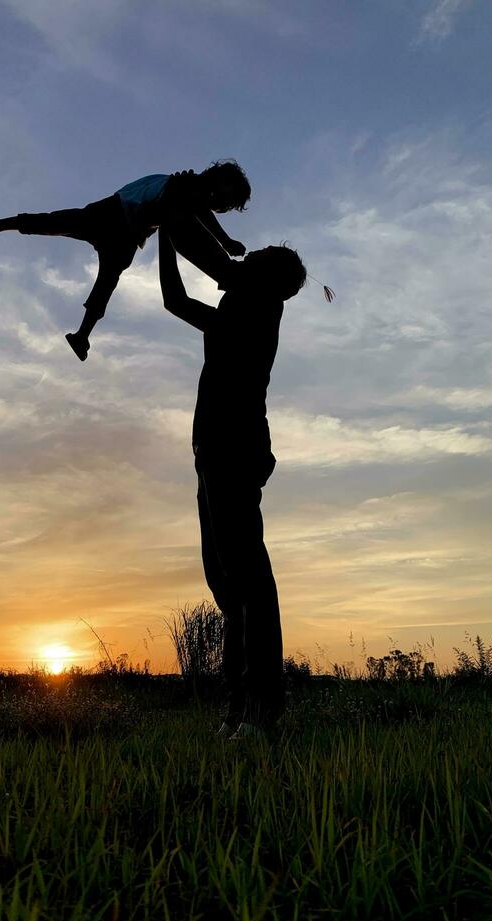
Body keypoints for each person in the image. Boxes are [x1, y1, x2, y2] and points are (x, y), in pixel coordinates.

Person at [158, 224, 308, 742]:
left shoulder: (258, 306)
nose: (246, 257)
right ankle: (239, 708)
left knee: (247, 582)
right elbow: (174, 300)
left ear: (267, 277)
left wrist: (169, 220)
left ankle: (261, 710)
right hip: (214, 455)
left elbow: (214, 268)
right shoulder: (237, 310)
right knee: (227, 586)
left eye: (258, 256)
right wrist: (161, 235)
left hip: (234, 452)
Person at [0, 161, 250, 360]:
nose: (224, 207)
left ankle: (82, 335)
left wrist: (222, 245)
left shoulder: (188, 191)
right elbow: (200, 212)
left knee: (107, 281)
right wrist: (225, 242)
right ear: (221, 181)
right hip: (113, 214)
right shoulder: (189, 186)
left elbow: (194, 216)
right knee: (55, 223)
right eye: (228, 200)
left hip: (128, 233)